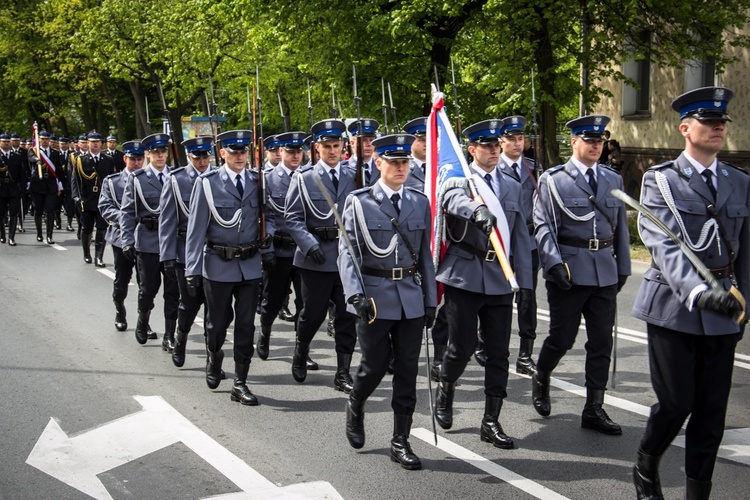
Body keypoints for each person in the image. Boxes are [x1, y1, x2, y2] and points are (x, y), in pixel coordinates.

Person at [631, 87, 748, 500]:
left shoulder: (739, 181)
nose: (717, 127)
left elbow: (745, 251)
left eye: (721, 122)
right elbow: (663, 246)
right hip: (674, 309)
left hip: (723, 311)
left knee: (712, 415)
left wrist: (743, 301)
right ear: (685, 128)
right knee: (677, 403)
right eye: (707, 121)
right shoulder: (658, 181)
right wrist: (699, 293)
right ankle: (646, 461)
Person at [434, 119, 533, 449]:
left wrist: (525, 282)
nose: (493, 151)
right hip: (465, 273)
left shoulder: (512, 184)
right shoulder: (463, 177)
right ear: (472, 149)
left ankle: (491, 420)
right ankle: (446, 389)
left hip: (500, 278)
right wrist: (475, 208)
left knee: (498, 353)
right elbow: (450, 200)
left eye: (496, 145)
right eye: (486, 146)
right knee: (460, 348)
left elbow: (519, 235)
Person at [339, 133, 437, 469]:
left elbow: (423, 254)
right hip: (375, 298)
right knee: (374, 366)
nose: (400, 168)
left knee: (408, 371)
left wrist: (430, 300)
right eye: (393, 162)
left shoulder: (418, 201)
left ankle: (400, 439)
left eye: (404, 162)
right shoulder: (358, 201)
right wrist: (355, 296)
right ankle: (356, 401)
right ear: (377, 163)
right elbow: (347, 254)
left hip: (409, 296)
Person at [531, 114, 631, 435]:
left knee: (602, 341)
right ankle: (542, 373)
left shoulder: (612, 179)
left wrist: (624, 267)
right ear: (573, 142)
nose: (596, 146)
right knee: (562, 338)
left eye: (599, 141)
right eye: (589, 140)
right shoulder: (553, 180)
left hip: (603, 269)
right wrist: (553, 263)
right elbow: (543, 225)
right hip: (570, 271)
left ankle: (594, 408)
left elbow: (621, 230)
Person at [185, 129, 275, 405]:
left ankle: (240, 381)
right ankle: (214, 357)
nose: (239, 156)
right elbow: (195, 229)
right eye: (233, 152)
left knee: (246, 326)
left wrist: (267, 241)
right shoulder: (208, 183)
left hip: (249, 264)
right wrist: (192, 269)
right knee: (217, 324)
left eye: (243, 152)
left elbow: (268, 215)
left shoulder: (257, 180)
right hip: (218, 264)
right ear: (222, 153)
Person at [285, 119, 358, 391]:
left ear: (342, 147)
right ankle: (301, 351)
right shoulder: (303, 178)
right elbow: (292, 217)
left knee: (347, 315)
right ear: (317, 148)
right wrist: (308, 243)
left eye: (336, 146)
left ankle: (342, 372)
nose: (331, 151)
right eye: (326, 146)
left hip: (347, 257)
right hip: (315, 258)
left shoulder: (354, 175)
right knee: (312, 314)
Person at [257, 131, 316, 368]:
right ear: (280, 152)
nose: (295, 156)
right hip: (279, 251)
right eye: (290, 152)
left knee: (305, 305)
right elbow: (265, 217)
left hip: (304, 252)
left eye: (298, 152)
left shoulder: (310, 178)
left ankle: (302, 350)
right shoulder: (267, 179)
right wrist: (267, 248)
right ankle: (265, 332)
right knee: (272, 300)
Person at [120, 133, 179, 348]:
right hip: (149, 241)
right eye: (156, 152)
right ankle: (143, 320)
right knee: (148, 289)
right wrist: (127, 240)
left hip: (173, 242)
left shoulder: (176, 176)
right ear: (148, 154)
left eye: (163, 151)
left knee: (174, 290)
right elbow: (127, 212)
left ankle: (169, 335)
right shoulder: (137, 179)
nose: (160, 155)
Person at [159, 136, 215, 365]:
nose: (202, 162)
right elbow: (167, 221)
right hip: (185, 252)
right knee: (190, 303)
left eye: (205, 156)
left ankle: (213, 357)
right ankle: (180, 337)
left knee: (215, 309)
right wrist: (168, 256)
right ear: (189, 157)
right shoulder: (176, 180)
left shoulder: (218, 178)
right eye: (197, 157)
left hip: (214, 253)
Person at [497, 115, 541, 375]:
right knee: (498, 297)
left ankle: (525, 354)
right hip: (501, 243)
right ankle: (491, 344)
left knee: (528, 298)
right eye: (511, 139)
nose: (517, 143)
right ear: (501, 142)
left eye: (520, 138)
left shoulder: (534, 168)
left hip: (529, 243)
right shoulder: (492, 170)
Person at [98, 140, 145, 331]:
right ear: (125, 158)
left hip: (145, 237)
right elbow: (105, 207)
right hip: (120, 237)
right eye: (133, 159)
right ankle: (120, 310)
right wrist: (126, 218)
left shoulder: (148, 179)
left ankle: (144, 321)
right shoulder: (112, 181)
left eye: (140, 159)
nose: (136, 163)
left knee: (146, 284)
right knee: (122, 279)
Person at [70, 132, 116, 264]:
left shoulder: (108, 160)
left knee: (102, 227)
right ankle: (86, 253)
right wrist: (76, 197)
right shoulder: (80, 160)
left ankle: (99, 257)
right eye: (92, 141)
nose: (95, 144)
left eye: (97, 141)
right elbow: (75, 180)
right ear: (87, 143)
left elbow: (111, 180)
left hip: (103, 200)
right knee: (87, 228)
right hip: (87, 199)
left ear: (101, 144)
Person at [28, 131, 63, 244]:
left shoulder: (55, 153)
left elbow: (59, 170)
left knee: (50, 210)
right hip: (37, 184)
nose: (45, 141)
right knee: (38, 210)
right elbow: (30, 158)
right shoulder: (34, 151)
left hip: (51, 185)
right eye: (43, 139)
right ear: (39, 140)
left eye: (47, 139)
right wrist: (36, 160)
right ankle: (39, 234)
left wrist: (62, 184)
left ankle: (49, 235)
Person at [0, 133, 26, 246]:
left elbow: (21, 175)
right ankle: (2, 235)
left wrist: (24, 189)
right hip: (1, 189)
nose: (6, 143)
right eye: (3, 141)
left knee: (14, 214)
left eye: (7, 141)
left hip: (14, 188)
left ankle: (12, 237)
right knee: (1, 214)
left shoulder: (17, 156)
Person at [346, 119, 380, 185]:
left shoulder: (381, 168)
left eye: (371, 140)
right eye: (363, 140)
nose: (369, 144)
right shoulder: (343, 170)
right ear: (352, 143)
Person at [401, 117, 427, 190]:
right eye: (421, 140)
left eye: (430, 139)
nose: (427, 144)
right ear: (411, 141)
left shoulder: (440, 168)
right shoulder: (402, 168)